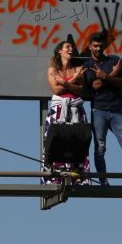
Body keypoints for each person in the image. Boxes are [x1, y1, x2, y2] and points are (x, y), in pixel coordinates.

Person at [82, 30, 122, 185]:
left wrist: (105, 76)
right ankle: (103, 181)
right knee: (100, 148)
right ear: (89, 47)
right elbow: (94, 86)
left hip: (117, 110)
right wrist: (111, 75)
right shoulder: (87, 65)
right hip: (98, 111)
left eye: (100, 46)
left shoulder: (113, 61)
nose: (98, 49)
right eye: (95, 46)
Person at [42, 40, 90, 184]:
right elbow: (56, 90)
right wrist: (73, 80)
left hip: (76, 108)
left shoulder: (78, 68)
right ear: (59, 51)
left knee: (78, 141)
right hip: (58, 109)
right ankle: (55, 178)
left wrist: (65, 82)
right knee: (55, 141)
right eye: (67, 47)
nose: (71, 49)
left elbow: (80, 90)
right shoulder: (52, 69)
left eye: (72, 47)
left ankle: (78, 176)